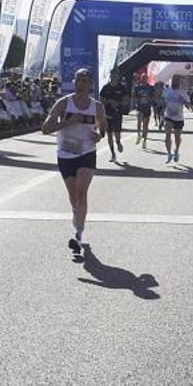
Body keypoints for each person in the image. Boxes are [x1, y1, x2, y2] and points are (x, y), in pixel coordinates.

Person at [41, 68, 104, 254]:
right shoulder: (63, 103)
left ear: (91, 84)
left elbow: (102, 126)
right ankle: (77, 220)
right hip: (65, 153)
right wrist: (68, 122)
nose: (81, 84)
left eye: (85, 80)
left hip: (87, 152)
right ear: (74, 82)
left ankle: (78, 234)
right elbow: (45, 128)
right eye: (79, 80)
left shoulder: (97, 106)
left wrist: (98, 135)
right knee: (74, 196)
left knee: (81, 191)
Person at [99, 75, 129, 161]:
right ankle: (113, 154)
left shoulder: (122, 87)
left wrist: (119, 103)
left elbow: (126, 100)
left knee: (117, 133)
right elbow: (101, 100)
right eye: (113, 75)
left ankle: (118, 142)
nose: (115, 77)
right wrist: (108, 101)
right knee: (109, 134)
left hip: (118, 113)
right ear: (111, 76)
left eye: (116, 76)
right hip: (108, 113)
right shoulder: (106, 87)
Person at [162, 76, 189, 163]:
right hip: (168, 116)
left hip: (179, 118)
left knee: (177, 137)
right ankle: (169, 153)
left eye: (177, 80)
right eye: (174, 80)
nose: (175, 82)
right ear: (171, 81)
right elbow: (162, 104)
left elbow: (189, 106)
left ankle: (176, 150)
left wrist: (184, 101)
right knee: (167, 135)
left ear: (179, 82)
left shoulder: (183, 92)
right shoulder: (166, 91)